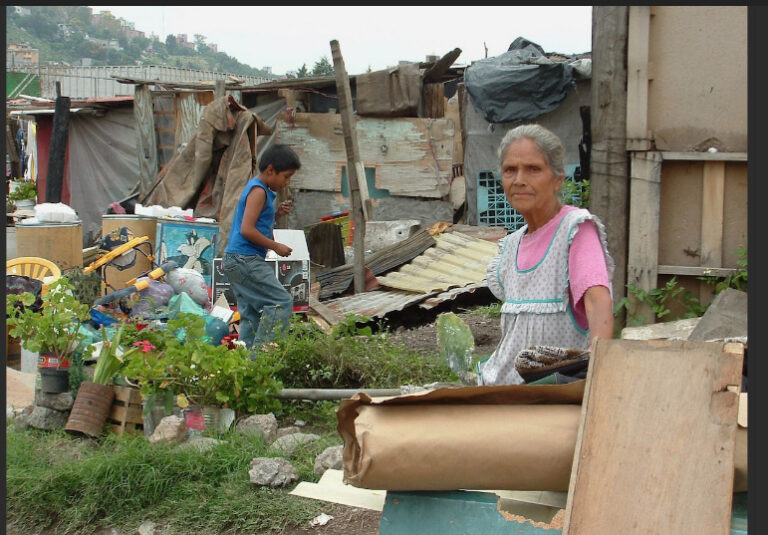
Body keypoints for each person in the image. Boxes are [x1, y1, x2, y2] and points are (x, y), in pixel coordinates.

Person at [476, 124, 615, 385]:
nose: (519, 180)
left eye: (533, 169)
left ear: (558, 178)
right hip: (502, 391)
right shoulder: (512, 244)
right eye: (510, 170)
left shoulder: (574, 230)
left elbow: (598, 303)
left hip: (550, 396)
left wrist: (598, 371)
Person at [222, 143, 300, 348]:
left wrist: (276, 215)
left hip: (235, 260)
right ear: (270, 170)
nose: (287, 182)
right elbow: (247, 229)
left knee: (251, 316)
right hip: (245, 259)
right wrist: (275, 246)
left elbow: (255, 223)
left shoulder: (258, 189)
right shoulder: (259, 191)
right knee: (281, 302)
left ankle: (248, 364)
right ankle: (265, 356)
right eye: (286, 176)